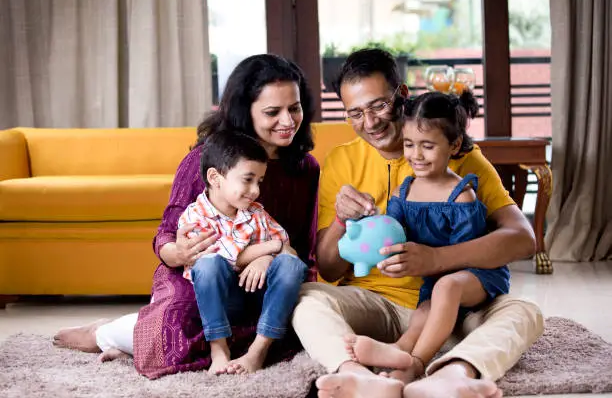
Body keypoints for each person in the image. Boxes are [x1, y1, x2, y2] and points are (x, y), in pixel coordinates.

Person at [290, 48, 543, 398]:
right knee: (306, 297)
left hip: (452, 309)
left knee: (524, 311)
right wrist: (339, 223)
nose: (371, 122)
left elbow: (522, 239)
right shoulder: (342, 161)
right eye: (356, 113)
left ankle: (454, 373)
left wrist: (436, 260)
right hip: (372, 302)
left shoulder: (457, 156)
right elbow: (330, 269)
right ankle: (358, 375)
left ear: (403, 95)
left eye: (378, 105)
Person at [53, 54, 320, 379]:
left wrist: (274, 260)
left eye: (294, 108)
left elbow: (302, 250)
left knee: (295, 325)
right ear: (244, 111)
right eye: (272, 112)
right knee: (180, 326)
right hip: (200, 276)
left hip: (266, 278)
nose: (288, 120)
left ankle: (130, 336)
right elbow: (166, 237)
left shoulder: (306, 169)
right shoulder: (204, 161)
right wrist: (179, 252)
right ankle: (108, 334)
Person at [344, 90, 511, 383]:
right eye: (409, 144)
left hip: (476, 276)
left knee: (445, 289)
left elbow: (467, 255)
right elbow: (391, 234)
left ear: (454, 144)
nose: (416, 155)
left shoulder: (461, 196)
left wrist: (430, 264)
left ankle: (417, 364)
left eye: (427, 146)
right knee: (422, 313)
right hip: (435, 280)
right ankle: (399, 351)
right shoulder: (404, 192)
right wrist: (370, 228)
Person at [178, 131, 307, 375]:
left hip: (260, 297)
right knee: (208, 265)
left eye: (259, 181)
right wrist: (269, 248)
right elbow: (220, 256)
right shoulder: (195, 217)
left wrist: (267, 258)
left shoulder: (256, 213)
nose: (256, 190)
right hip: (223, 300)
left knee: (291, 266)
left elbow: (289, 251)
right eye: (247, 180)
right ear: (215, 177)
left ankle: (258, 351)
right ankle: (219, 350)